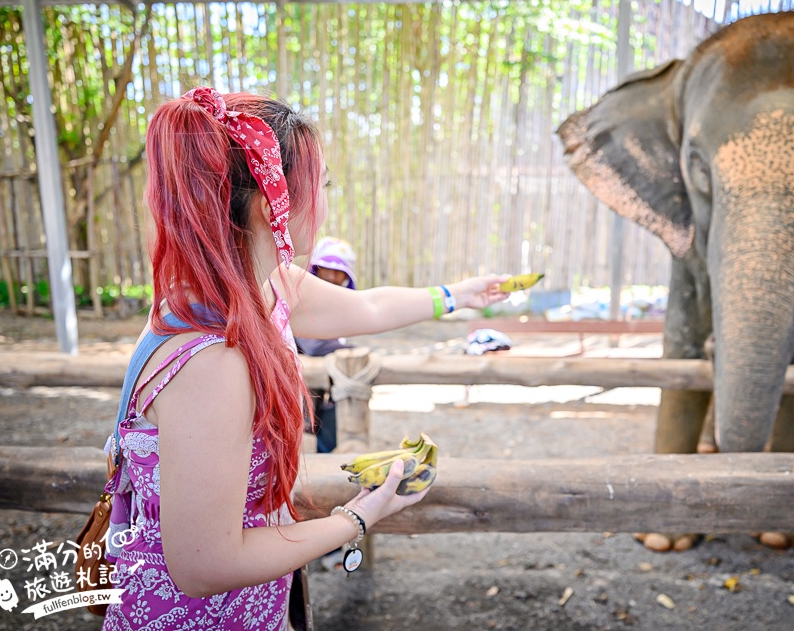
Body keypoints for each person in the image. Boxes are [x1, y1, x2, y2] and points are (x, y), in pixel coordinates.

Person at [101, 87, 507, 630]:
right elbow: (204, 565)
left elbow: (367, 306)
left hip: (253, 606)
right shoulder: (214, 360)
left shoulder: (258, 286)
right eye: (316, 186)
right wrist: (358, 517)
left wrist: (459, 294)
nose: (322, 203)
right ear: (265, 201)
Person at [295, 236, 358, 454]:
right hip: (305, 389)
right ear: (316, 269)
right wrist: (353, 353)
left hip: (331, 391)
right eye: (326, 268)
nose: (332, 276)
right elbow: (314, 346)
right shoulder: (303, 301)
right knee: (302, 444)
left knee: (331, 442)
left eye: (338, 271)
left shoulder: (344, 306)